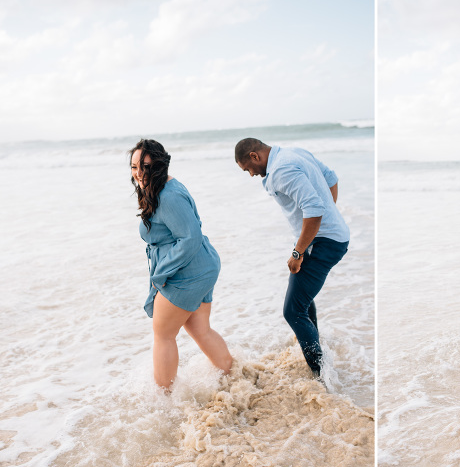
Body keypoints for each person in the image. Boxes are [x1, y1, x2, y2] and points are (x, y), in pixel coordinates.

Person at [234, 138, 349, 377]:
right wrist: (329, 216)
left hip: (323, 243)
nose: (251, 175)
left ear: (255, 156)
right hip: (325, 237)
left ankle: (321, 374)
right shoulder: (294, 152)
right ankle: (319, 352)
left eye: (248, 169)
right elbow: (331, 178)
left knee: (293, 311)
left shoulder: (281, 170)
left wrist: (298, 252)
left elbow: (314, 209)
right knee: (301, 301)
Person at [130, 139, 233, 389]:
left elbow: (190, 238)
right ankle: (233, 375)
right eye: (134, 167)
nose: (139, 173)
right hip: (201, 265)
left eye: (145, 166)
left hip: (188, 271)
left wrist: (160, 274)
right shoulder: (162, 187)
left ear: (159, 165)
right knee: (200, 329)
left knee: (163, 335)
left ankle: (165, 400)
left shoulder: (168, 196)